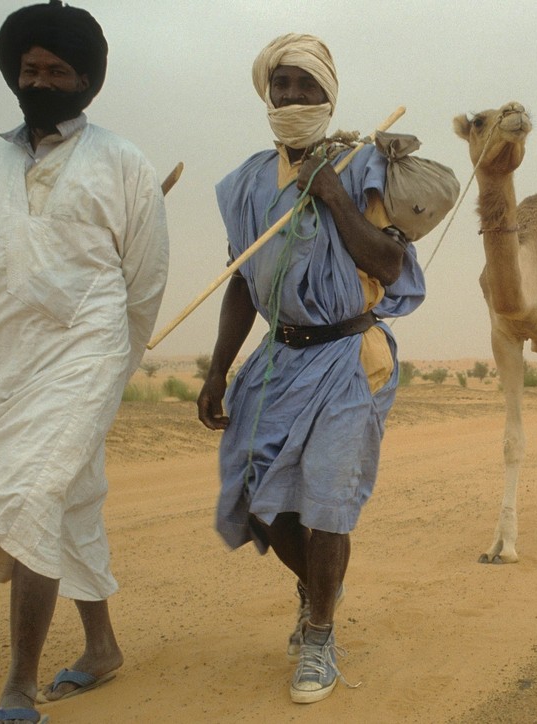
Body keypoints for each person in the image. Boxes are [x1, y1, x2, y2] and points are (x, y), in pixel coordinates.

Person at [0, 2, 169, 722]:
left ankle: (17, 686)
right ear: (14, 73)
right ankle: (101, 650)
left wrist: (110, 372)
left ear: (86, 80)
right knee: (73, 498)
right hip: (2, 355)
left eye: (58, 70)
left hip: (86, 348)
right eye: (30, 68)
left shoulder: (124, 161)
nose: (41, 80)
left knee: (33, 493)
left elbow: (145, 280)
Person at [197, 33, 426, 704]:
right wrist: (217, 369)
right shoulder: (243, 184)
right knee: (257, 496)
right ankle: (316, 586)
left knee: (325, 500)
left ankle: (319, 635)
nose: (292, 96)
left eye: (306, 85)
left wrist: (331, 195)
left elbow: (389, 267)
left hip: (351, 356)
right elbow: (242, 280)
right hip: (279, 359)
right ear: (268, 94)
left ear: (329, 95)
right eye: (282, 85)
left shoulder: (360, 168)